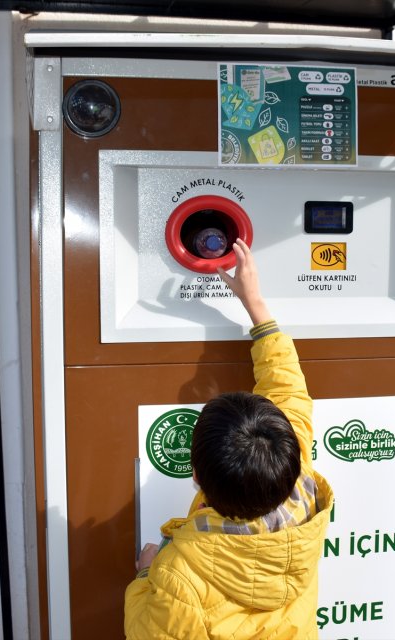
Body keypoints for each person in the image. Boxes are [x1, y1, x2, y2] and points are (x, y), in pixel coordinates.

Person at [125, 238, 335, 639]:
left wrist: (146, 572)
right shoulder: (302, 486)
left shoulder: (180, 572)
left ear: (196, 477)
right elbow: (287, 387)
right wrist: (256, 305)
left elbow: (146, 632)